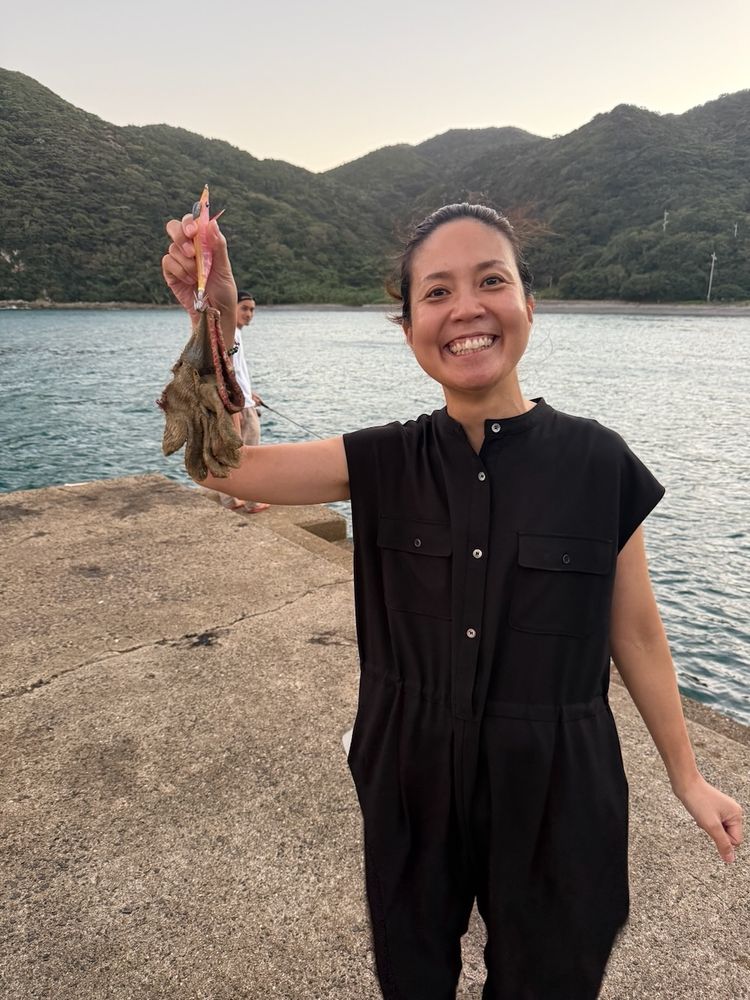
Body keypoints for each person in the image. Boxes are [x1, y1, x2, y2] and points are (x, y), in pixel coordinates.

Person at [162, 202, 743, 999]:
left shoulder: (598, 462)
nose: (466, 308)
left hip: (559, 780)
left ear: (527, 306)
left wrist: (687, 775)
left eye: (491, 281)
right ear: (408, 329)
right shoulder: (379, 460)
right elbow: (220, 466)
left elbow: (637, 634)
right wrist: (215, 319)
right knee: (413, 974)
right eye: (436, 293)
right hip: (409, 768)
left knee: (552, 978)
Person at [215, 289, 269, 513]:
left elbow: (236, 371)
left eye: (252, 310)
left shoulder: (234, 334)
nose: (249, 314)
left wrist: (250, 392)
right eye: (244, 308)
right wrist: (238, 402)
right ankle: (252, 502)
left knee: (230, 453)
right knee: (250, 456)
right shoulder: (230, 334)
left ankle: (229, 499)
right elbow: (226, 372)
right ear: (232, 309)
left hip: (242, 401)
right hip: (240, 405)